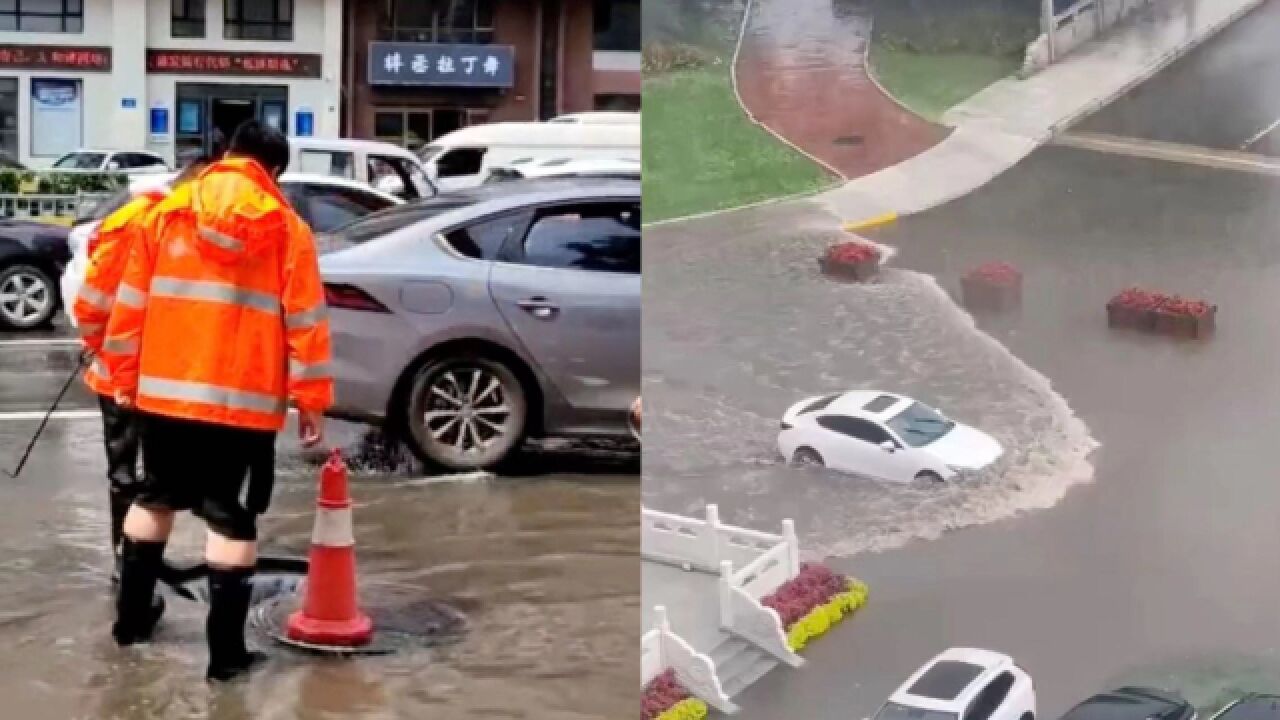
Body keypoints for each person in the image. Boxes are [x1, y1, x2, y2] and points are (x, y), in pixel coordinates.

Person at [100, 120, 332, 681]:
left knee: (154, 498)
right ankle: (225, 660)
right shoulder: (286, 228)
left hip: (163, 394)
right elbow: (306, 322)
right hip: (242, 403)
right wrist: (310, 400)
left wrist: (122, 378)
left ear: (228, 155)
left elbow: (130, 303)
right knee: (229, 519)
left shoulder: (167, 214)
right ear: (273, 170)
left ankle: (131, 627)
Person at [72, 156, 213, 583]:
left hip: (156, 371)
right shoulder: (141, 221)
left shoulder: (174, 223)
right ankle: (127, 564)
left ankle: (141, 558)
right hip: (122, 367)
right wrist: (96, 344)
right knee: (127, 470)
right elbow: (95, 296)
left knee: (152, 474)